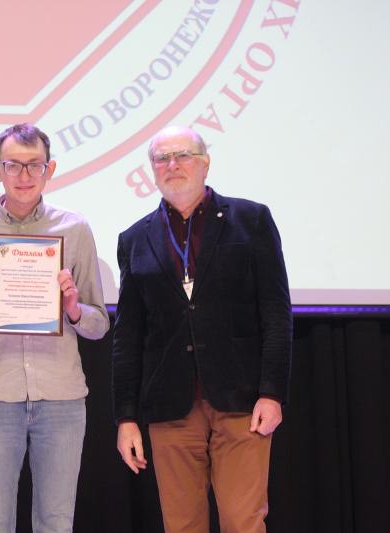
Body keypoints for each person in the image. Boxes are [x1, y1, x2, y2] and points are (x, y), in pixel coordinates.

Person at [112, 126, 292, 533]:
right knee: (181, 525)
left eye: (183, 155)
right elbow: (128, 336)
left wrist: (272, 392)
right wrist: (126, 417)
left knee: (242, 521)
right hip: (169, 403)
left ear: (205, 163)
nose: (172, 165)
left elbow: (276, 312)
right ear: (152, 170)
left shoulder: (251, 220)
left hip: (241, 398)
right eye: (162, 158)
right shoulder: (135, 238)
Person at [0, 123, 110, 533]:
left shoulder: (75, 229)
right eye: (14, 165)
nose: (25, 175)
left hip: (61, 397)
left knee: (56, 523)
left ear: (50, 169)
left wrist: (73, 309)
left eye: (35, 165)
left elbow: (99, 325)